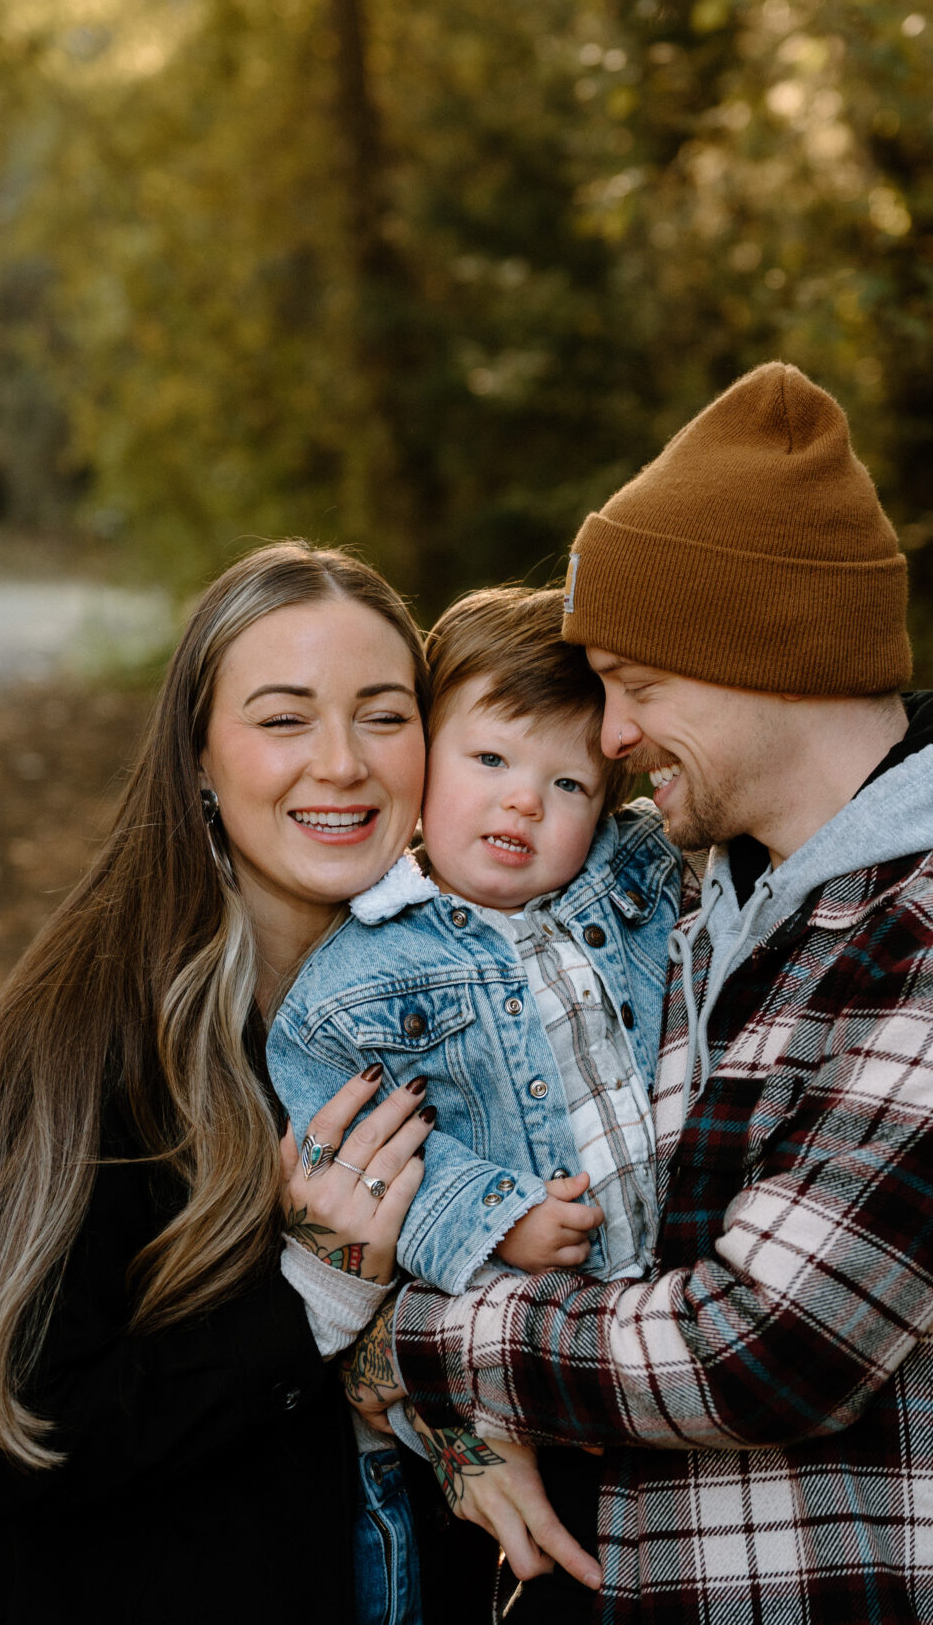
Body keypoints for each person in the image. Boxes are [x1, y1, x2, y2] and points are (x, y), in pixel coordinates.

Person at [346, 364, 933, 1623]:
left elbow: (764, 1347)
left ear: (763, 652)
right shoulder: (695, 898)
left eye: (635, 682)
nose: (607, 738)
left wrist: (416, 1343)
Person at [0, 541, 443, 1622]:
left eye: (382, 714)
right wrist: (312, 1297)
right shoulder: (87, 1032)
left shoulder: (479, 996)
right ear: (197, 757)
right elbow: (30, 1438)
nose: (341, 761)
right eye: (284, 718)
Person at [266, 585, 686, 1625]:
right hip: (512, 1352)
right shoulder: (364, 972)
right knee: (533, 1575)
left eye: (567, 782)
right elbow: (340, 1114)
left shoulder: (624, 878)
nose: (523, 803)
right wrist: (496, 1208)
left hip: (661, 1332)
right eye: (488, 761)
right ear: (423, 766)